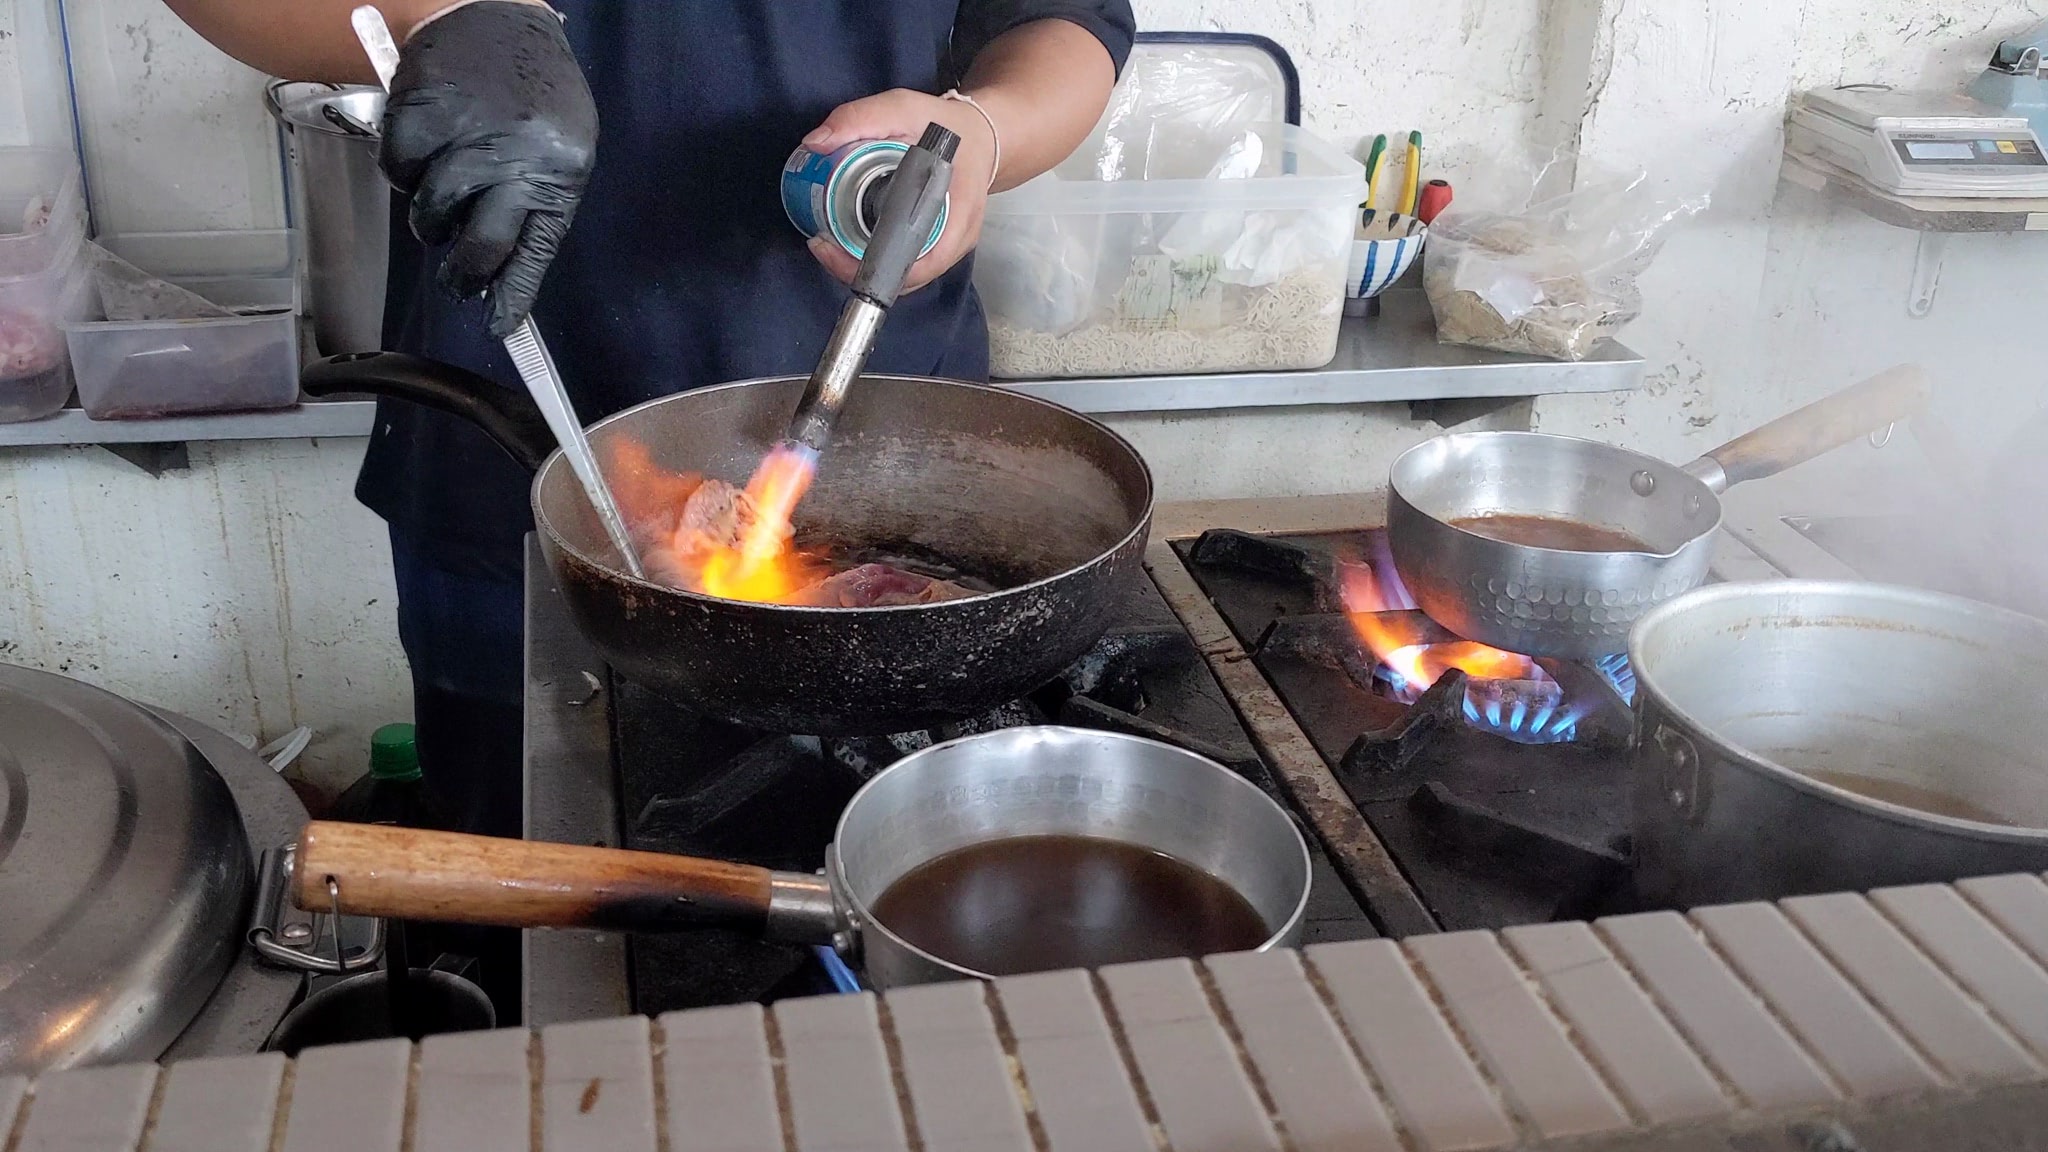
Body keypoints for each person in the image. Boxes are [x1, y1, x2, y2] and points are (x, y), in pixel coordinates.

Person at [163, 0, 1134, 1017]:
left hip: (896, 434)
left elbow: (1063, 24)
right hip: (517, 442)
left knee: (905, 932)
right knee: (525, 925)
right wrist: (447, 16)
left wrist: (984, 129)